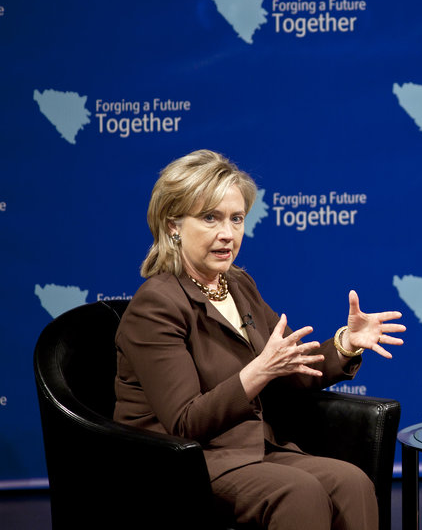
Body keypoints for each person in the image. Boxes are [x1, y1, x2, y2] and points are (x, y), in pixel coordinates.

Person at [114, 149, 406, 530]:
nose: (228, 234)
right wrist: (258, 372)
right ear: (173, 226)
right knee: (299, 493)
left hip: (252, 450)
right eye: (210, 218)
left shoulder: (238, 285)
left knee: (352, 484)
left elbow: (291, 368)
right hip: (183, 462)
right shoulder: (156, 305)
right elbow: (185, 422)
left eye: (236, 219)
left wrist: (346, 343)